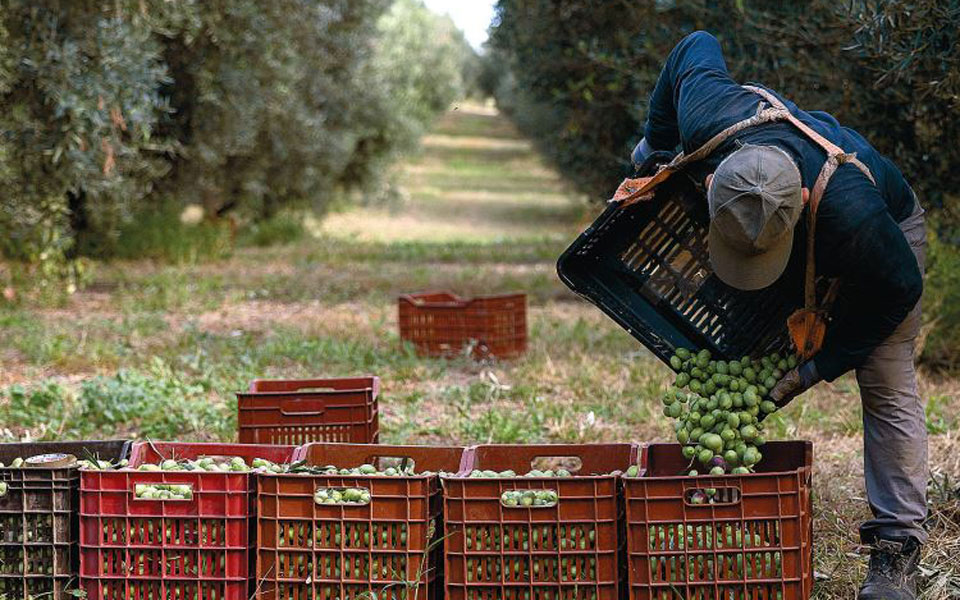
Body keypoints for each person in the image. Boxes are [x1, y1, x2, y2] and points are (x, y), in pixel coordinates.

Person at [629, 31, 926, 599]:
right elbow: (695, 42)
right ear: (713, 181)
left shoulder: (859, 220)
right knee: (742, 331)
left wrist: (816, 369)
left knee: (885, 377)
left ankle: (898, 545)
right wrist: (654, 149)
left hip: (886, 244)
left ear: (802, 210)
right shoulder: (711, 114)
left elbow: (898, 292)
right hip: (809, 230)